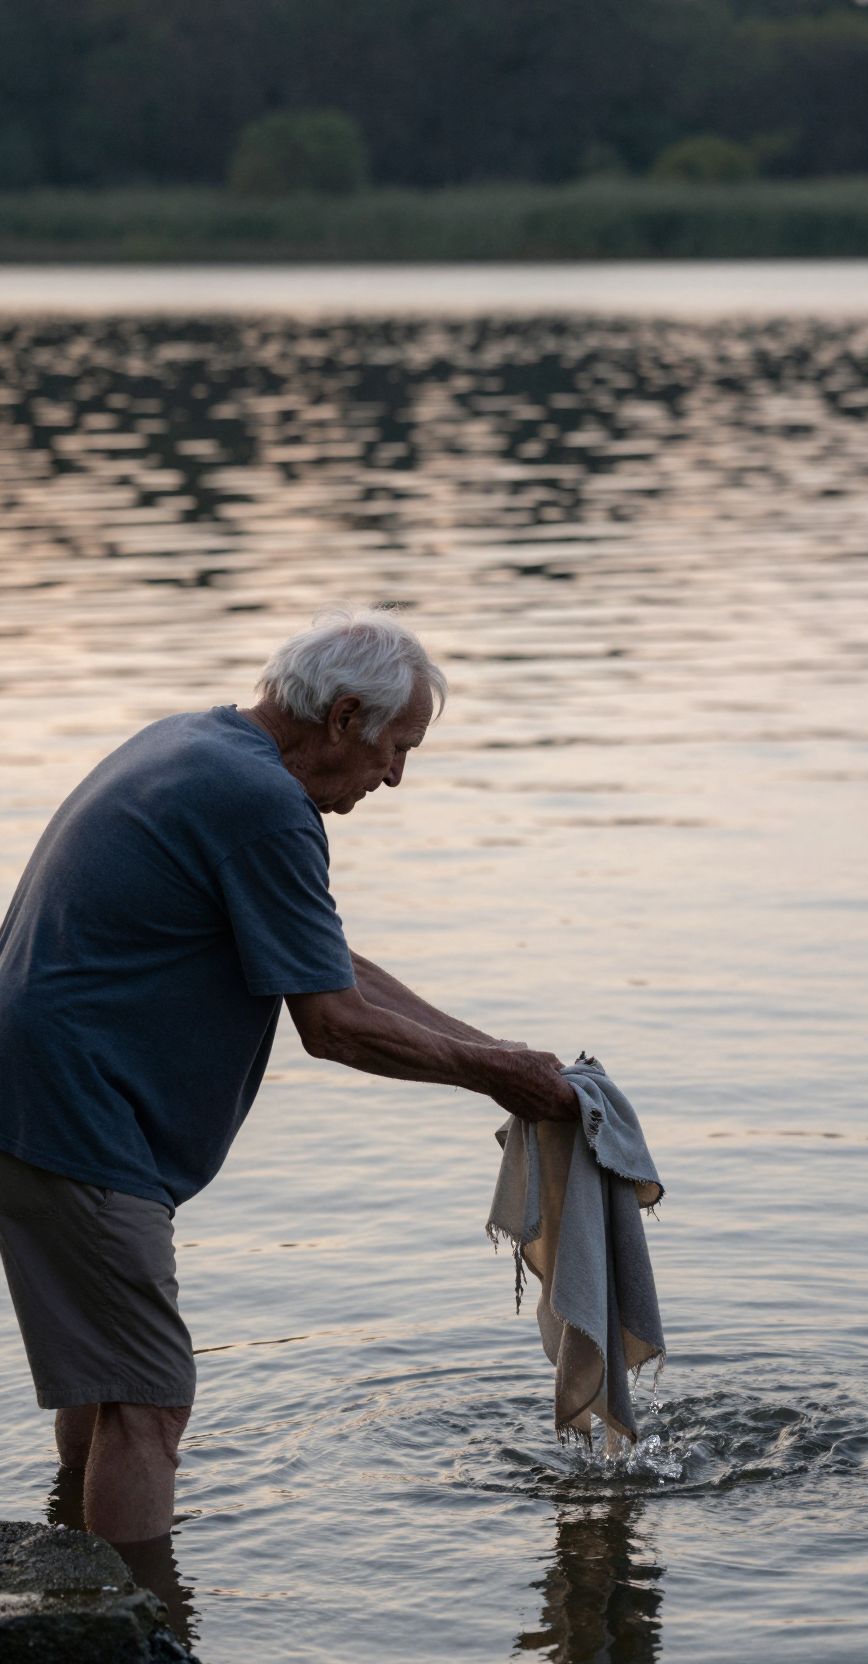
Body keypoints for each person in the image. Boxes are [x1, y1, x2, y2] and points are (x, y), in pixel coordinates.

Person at [0, 605, 576, 1547]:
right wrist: (491, 1077)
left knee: (113, 1384)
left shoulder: (196, 745)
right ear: (345, 717)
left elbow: (330, 963)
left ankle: (74, 1580)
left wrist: (501, 1053)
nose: (395, 774)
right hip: (74, 1117)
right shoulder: (261, 803)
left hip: (38, 1102)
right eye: (399, 745)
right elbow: (335, 1025)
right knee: (150, 1401)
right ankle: (134, 1647)